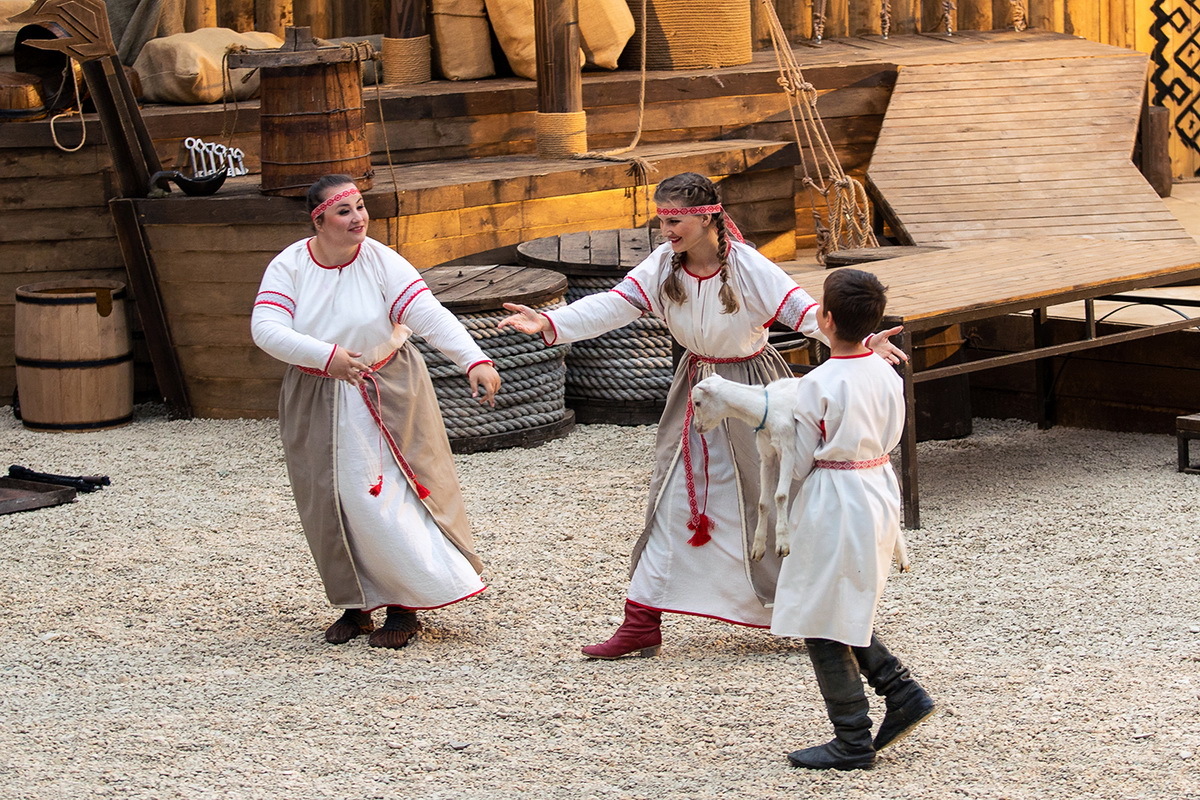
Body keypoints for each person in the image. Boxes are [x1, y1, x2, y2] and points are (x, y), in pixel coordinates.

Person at [497, 172, 905, 659]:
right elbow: (615, 305)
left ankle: (800, 608)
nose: (666, 230)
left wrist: (859, 347)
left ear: (708, 217)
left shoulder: (749, 267)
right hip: (695, 389)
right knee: (671, 497)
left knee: (770, 499)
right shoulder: (662, 264)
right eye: (661, 219)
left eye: (676, 220)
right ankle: (641, 619)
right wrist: (550, 322)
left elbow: (805, 314)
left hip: (752, 388)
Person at [251, 174, 502, 649]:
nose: (358, 218)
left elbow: (426, 313)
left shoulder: (382, 260)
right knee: (336, 498)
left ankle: (405, 606)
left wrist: (474, 359)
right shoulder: (290, 266)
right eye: (344, 211)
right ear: (319, 220)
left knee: (398, 492)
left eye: (361, 208)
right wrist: (327, 357)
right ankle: (357, 603)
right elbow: (265, 328)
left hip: (388, 385)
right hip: (318, 391)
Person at [769, 268, 935, 771]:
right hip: (879, 485)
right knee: (840, 601)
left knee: (820, 614)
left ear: (825, 317)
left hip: (834, 495)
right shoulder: (886, 370)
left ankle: (852, 739)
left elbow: (798, 462)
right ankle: (900, 691)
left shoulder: (814, 384)